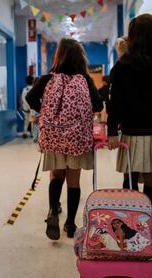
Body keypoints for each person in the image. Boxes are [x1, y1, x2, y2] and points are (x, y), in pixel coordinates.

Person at [26, 38, 103, 240]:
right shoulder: (85, 80)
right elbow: (98, 105)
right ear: (80, 58)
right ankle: (70, 224)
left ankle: (52, 212)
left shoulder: (47, 78)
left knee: (56, 176)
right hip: (77, 138)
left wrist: (45, 112)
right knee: (74, 181)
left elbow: (30, 98)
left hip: (53, 137)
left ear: (58, 56)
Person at [107, 14, 152, 208]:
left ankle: (131, 219)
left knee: (129, 178)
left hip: (131, 132)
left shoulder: (122, 66)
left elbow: (115, 102)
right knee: (151, 180)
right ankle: (146, 221)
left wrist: (112, 131)